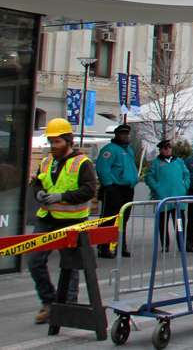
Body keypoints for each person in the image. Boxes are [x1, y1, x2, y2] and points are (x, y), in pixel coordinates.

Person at [28, 118, 99, 324]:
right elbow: (37, 182)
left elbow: (89, 190)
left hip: (72, 219)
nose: (53, 146)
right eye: (51, 141)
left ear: (68, 141)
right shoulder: (46, 161)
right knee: (34, 261)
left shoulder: (82, 163)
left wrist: (62, 196)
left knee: (71, 264)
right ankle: (49, 302)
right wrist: (39, 193)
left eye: (57, 142)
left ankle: (68, 305)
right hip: (47, 218)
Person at [95, 123, 138, 258]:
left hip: (127, 189)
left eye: (127, 134)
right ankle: (103, 247)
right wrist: (109, 185)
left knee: (123, 219)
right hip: (114, 188)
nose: (125, 136)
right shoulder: (110, 150)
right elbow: (103, 168)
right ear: (117, 135)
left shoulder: (129, 150)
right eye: (123, 134)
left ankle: (120, 245)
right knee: (108, 218)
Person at [145, 139, 189, 252]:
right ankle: (165, 245)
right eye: (165, 148)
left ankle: (181, 244)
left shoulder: (179, 161)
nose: (167, 149)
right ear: (161, 150)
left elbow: (186, 174)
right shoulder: (156, 163)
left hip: (178, 197)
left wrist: (185, 186)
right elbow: (149, 177)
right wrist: (156, 187)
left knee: (179, 223)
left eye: (169, 147)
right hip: (163, 198)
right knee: (163, 224)